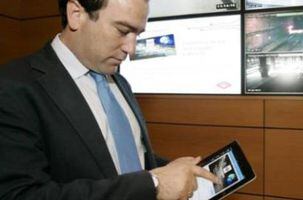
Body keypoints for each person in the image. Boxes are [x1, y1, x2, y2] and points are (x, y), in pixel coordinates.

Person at [0, 0, 220, 199]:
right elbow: (20, 194)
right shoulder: (13, 87)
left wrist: (173, 171)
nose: (131, 49)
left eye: (137, 35)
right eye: (122, 31)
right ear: (76, 13)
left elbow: (123, 158)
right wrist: (154, 184)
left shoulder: (121, 83)